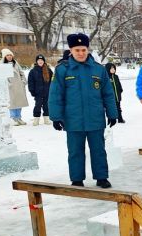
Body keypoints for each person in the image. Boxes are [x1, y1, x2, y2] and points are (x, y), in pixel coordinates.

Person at [48, 33, 119, 188]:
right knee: (75, 152)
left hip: (95, 118)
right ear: (71, 51)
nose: (80, 53)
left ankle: (101, 177)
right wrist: (56, 117)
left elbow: (108, 94)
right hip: (73, 120)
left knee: (99, 150)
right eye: (77, 50)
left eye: (83, 50)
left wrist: (113, 114)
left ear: (88, 50)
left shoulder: (98, 70)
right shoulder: (62, 70)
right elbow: (55, 95)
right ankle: (77, 179)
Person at [1, 48, 29, 125]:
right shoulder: (2, 65)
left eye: (10, 55)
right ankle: (13, 118)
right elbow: (2, 76)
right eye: (7, 55)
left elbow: (21, 72)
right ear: (4, 57)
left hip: (19, 85)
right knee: (12, 103)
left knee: (19, 102)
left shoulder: (15, 63)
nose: (9, 56)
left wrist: (23, 81)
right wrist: (8, 84)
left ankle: (19, 118)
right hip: (10, 87)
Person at [27, 54, 53, 126]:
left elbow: (52, 81)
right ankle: (36, 119)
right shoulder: (33, 71)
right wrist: (32, 91)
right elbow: (30, 82)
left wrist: (51, 90)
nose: (40, 61)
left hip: (47, 92)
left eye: (41, 60)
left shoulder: (48, 70)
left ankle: (46, 119)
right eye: (39, 60)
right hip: (38, 93)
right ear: (36, 61)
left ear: (44, 61)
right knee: (37, 105)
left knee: (46, 105)